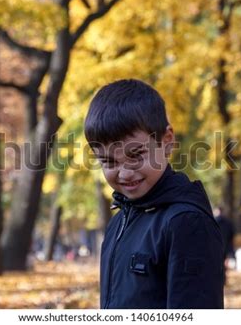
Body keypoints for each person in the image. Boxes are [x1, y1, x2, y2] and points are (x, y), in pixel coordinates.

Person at [84, 79, 224, 309]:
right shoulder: (119, 222)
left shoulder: (185, 222)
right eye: (109, 161)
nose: (125, 173)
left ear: (166, 141)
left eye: (137, 155)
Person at [213, 207, 236, 285]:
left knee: (216, 264)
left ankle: (217, 280)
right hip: (226, 246)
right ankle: (223, 280)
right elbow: (231, 237)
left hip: (215, 246)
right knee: (224, 265)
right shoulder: (228, 223)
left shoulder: (212, 221)